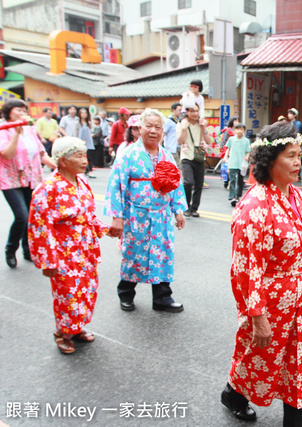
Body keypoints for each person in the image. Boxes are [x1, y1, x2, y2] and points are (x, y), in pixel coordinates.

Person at [221, 121, 302, 426]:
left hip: (301, 299)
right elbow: (246, 268)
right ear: (269, 160)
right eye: (290, 155)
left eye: (299, 154)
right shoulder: (255, 206)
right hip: (270, 304)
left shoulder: (296, 195)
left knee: (301, 366)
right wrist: (257, 316)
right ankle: (234, 394)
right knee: (258, 359)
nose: (297, 161)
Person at [28, 137, 115, 354]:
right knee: (68, 294)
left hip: (85, 249)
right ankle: (62, 332)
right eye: (78, 156)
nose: (85, 160)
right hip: (63, 251)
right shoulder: (47, 188)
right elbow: (39, 228)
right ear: (62, 160)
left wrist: (105, 229)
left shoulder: (82, 182)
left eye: (84, 155)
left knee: (86, 290)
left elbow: (88, 215)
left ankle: (76, 328)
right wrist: (47, 261)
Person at [104, 108, 188, 313]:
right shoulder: (128, 155)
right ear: (139, 129)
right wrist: (117, 217)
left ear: (163, 131)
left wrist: (178, 210)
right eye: (148, 126)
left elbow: (174, 185)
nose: (153, 131)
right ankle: (126, 294)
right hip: (136, 215)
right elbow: (116, 186)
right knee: (134, 255)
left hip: (161, 215)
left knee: (162, 255)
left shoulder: (166, 156)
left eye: (157, 127)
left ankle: (162, 298)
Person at [1, 99, 56, 268]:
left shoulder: (30, 129)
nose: (22, 112)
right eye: (18, 110)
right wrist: (16, 133)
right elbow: (7, 154)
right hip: (11, 180)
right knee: (21, 216)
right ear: (9, 111)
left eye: (24, 110)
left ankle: (28, 249)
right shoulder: (3, 129)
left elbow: (41, 154)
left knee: (31, 217)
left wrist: (58, 165)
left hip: (31, 178)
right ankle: (11, 249)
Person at [177, 104, 213, 217]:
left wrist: (204, 128)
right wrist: (183, 128)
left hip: (200, 156)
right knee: (188, 182)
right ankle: (186, 206)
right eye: (192, 111)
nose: (195, 113)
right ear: (187, 112)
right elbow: (179, 141)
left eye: (197, 111)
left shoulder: (201, 123)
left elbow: (208, 141)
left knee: (198, 184)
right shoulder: (182, 123)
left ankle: (194, 209)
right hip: (186, 156)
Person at [223, 122, 251, 207]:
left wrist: (247, 156)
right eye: (237, 129)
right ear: (234, 130)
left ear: (244, 131)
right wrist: (225, 156)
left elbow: (248, 151)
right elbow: (228, 148)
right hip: (233, 162)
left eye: (241, 129)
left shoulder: (246, 141)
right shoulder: (231, 139)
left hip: (242, 164)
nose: (239, 131)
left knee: (240, 180)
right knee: (232, 180)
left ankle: (238, 196)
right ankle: (232, 197)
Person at [77, 107, 95, 179]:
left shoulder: (89, 123)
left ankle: (90, 171)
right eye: (82, 113)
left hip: (88, 142)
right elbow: (75, 133)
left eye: (85, 113)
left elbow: (91, 131)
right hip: (80, 142)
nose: (84, 115)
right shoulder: (77, 123)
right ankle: (81, 171)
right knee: (80, 157)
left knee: (90, 157)